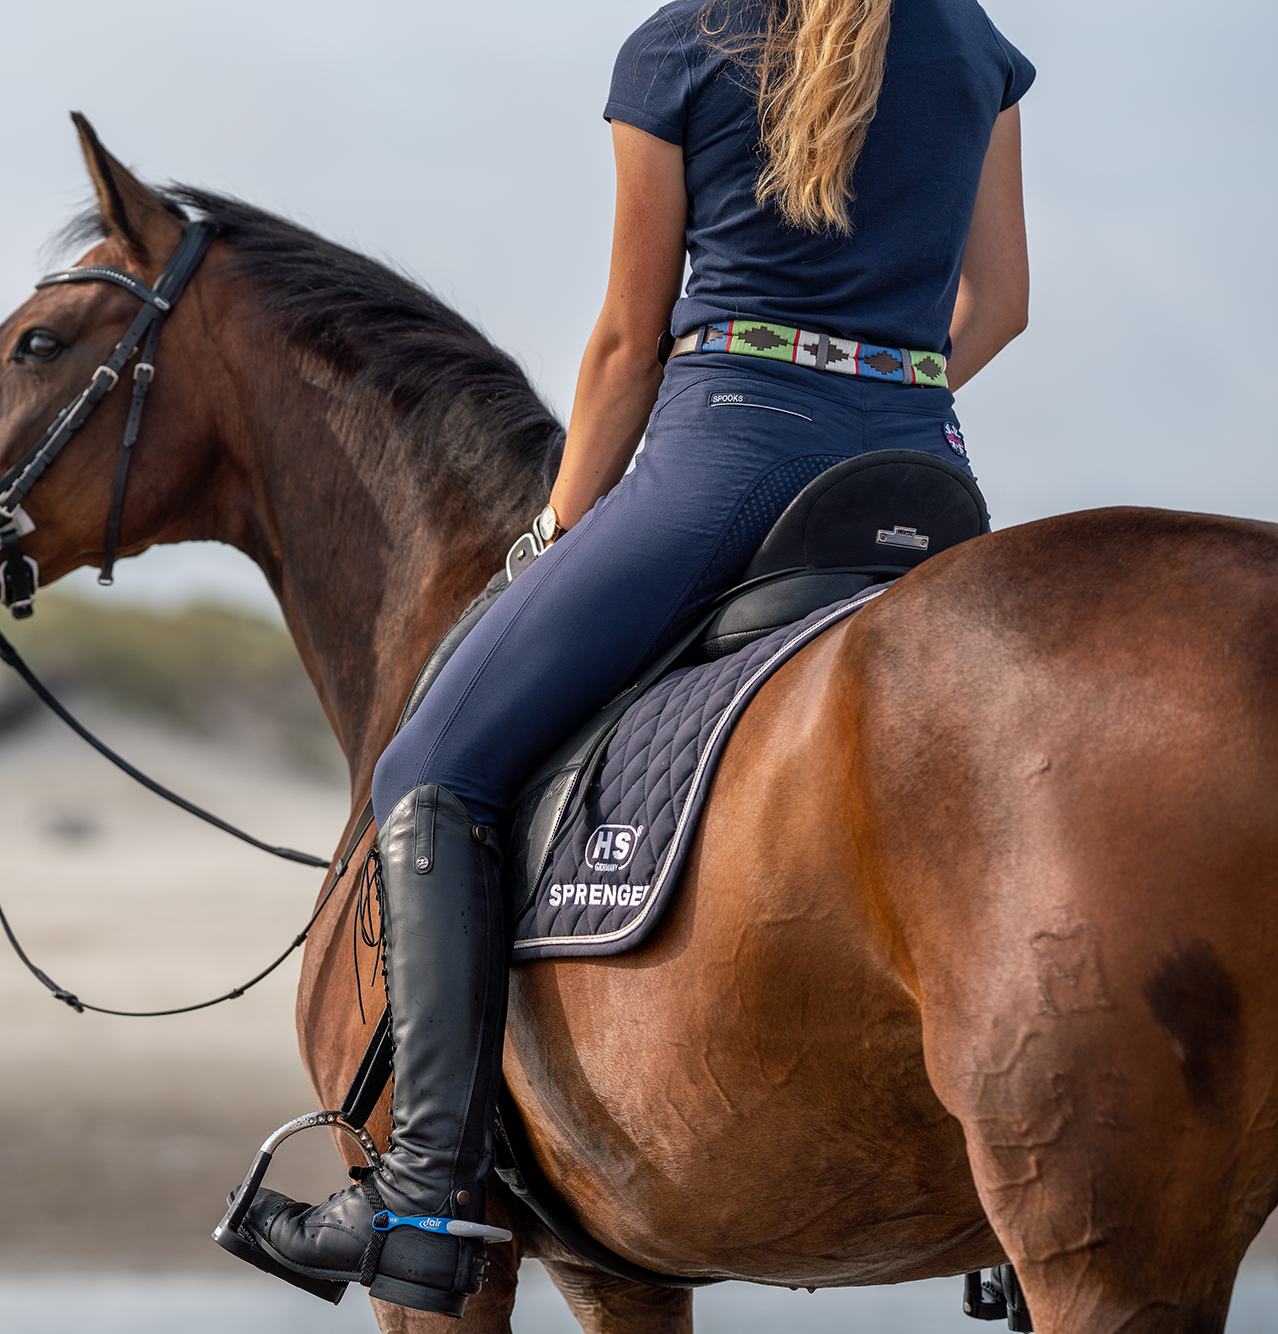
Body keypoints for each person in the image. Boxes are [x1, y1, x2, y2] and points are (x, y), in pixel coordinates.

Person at [230, 0, 1034, 1314]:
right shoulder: (970, 41)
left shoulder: (682, 45)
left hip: (727, 460)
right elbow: (1000, 306)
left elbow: (623, 345)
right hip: (920, 475)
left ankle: (423, 1192)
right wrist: (872, 390)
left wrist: (555, 533)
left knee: (430, 765)